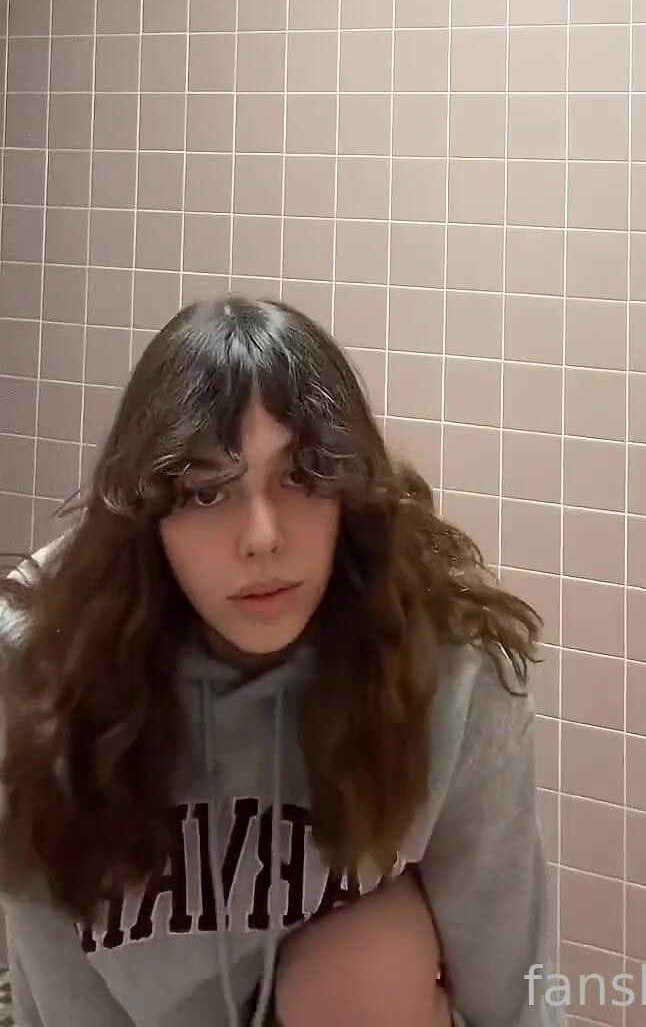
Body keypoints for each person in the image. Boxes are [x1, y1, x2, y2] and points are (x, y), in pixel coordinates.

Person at [0, 297, 563, 1026]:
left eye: (301, 477)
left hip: (341, 1007)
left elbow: (511, 979)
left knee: (370, 954)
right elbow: (45, 960)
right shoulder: (42, 658)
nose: (262, 537)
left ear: (349, 492)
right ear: (147, 515)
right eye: (207, 491)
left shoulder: (445, 665)